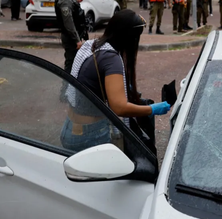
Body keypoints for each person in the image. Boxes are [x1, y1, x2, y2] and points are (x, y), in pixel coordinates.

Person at [60, 10, 171, 152]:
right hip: (90, 134)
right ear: (129, 38)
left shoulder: (92, 45)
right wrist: (152, 109)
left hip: (71, 127)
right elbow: (119, 107)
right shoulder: (111, 59)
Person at [54, 0, 88, 73]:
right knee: (71, 66)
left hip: (76, 37)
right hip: (71, 39)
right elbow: (68, 22)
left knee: (76, 66)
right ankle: (66, 87)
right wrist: (77, 40)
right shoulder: (65, 0)